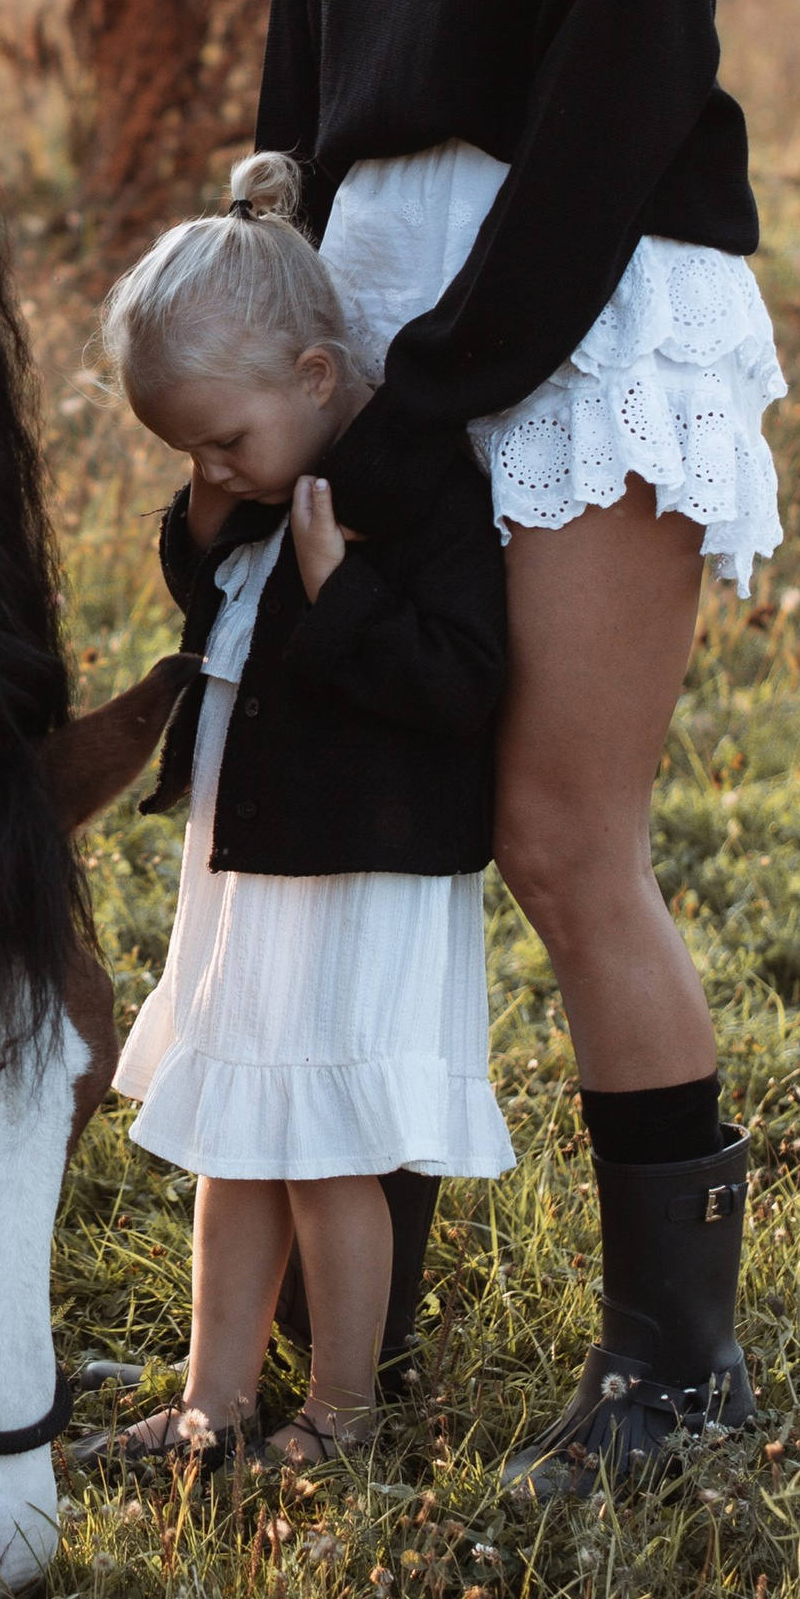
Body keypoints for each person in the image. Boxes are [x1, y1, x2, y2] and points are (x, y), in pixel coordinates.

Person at [184, 0, 783, 1494]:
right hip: (384, 299)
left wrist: (435, 397)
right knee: (370, 820)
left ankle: (676, 1381)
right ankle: (357, 1357)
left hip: (586, 289)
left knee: (550, 833)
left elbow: (626, 94)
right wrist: (268, 285)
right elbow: (310, 4)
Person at [83, 158, 513, 1475]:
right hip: (252, 873)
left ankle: (343, 1412)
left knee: (328, 1152)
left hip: (357, 876)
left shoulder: (416, 498)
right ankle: (214, 1407)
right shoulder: (265, 492)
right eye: (187, 452)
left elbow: (464, 685)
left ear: (317, 379)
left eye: (225, 441)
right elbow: (214, 607)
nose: (213, 467)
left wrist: (343, 595)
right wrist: (202, 525)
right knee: (234, 1139)